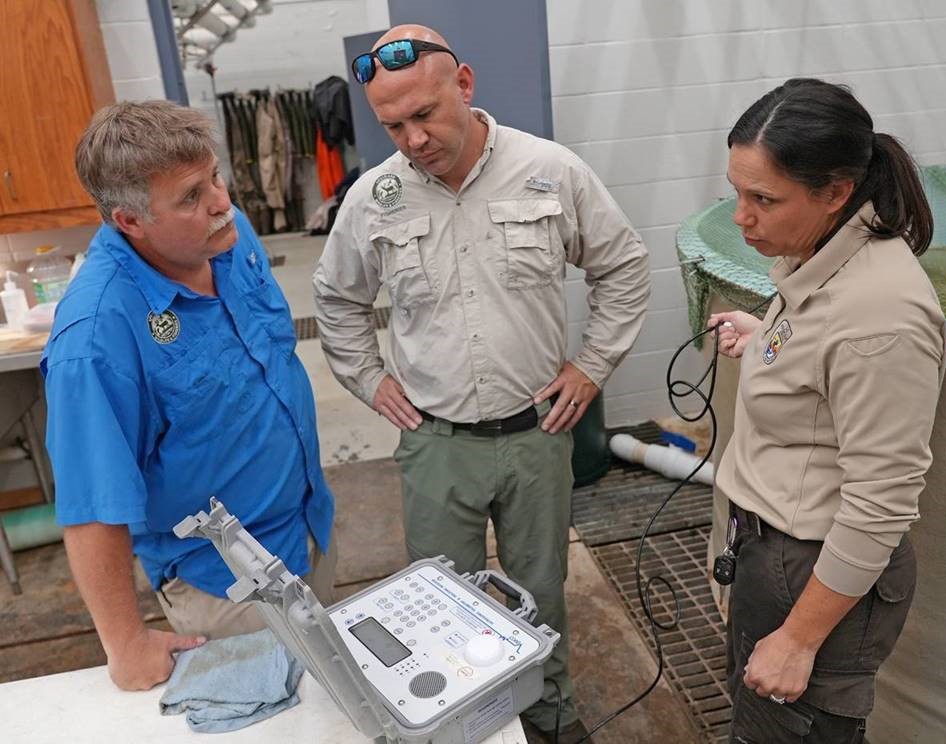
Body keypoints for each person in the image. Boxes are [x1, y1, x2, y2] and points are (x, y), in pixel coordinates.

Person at [313, 25, 650, 743]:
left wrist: (591, 365)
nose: (413, 139)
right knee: (440, 604)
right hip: (436, 444)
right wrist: (369, 379)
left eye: (426, 114)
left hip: (536, 436)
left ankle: (550, 717)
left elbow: (623, 266)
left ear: (464, 84)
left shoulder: (550, 172)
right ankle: (467, 726)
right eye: (393, 126)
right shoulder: (375, 198)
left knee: (541, 596)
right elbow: (337, 301)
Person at [42, 101, 336, 691]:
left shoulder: (223, 233)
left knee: (332, 703)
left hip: (309, 528)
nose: (221, 201)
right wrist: (126, 646)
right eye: (190, 197)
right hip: (227, 589)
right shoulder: (98, 335)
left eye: (216, 178)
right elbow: (93, 505)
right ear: (130, 221)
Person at [706, 78, 946, 743]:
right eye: (738, 191)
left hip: (811, 574)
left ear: (837, 191)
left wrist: (798, 640)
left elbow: (881, 499)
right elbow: (827, 368)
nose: (741, 217)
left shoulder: (882, 317)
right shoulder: (818, 258)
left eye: (763, 199)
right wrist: (767, 345)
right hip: (772, 553)